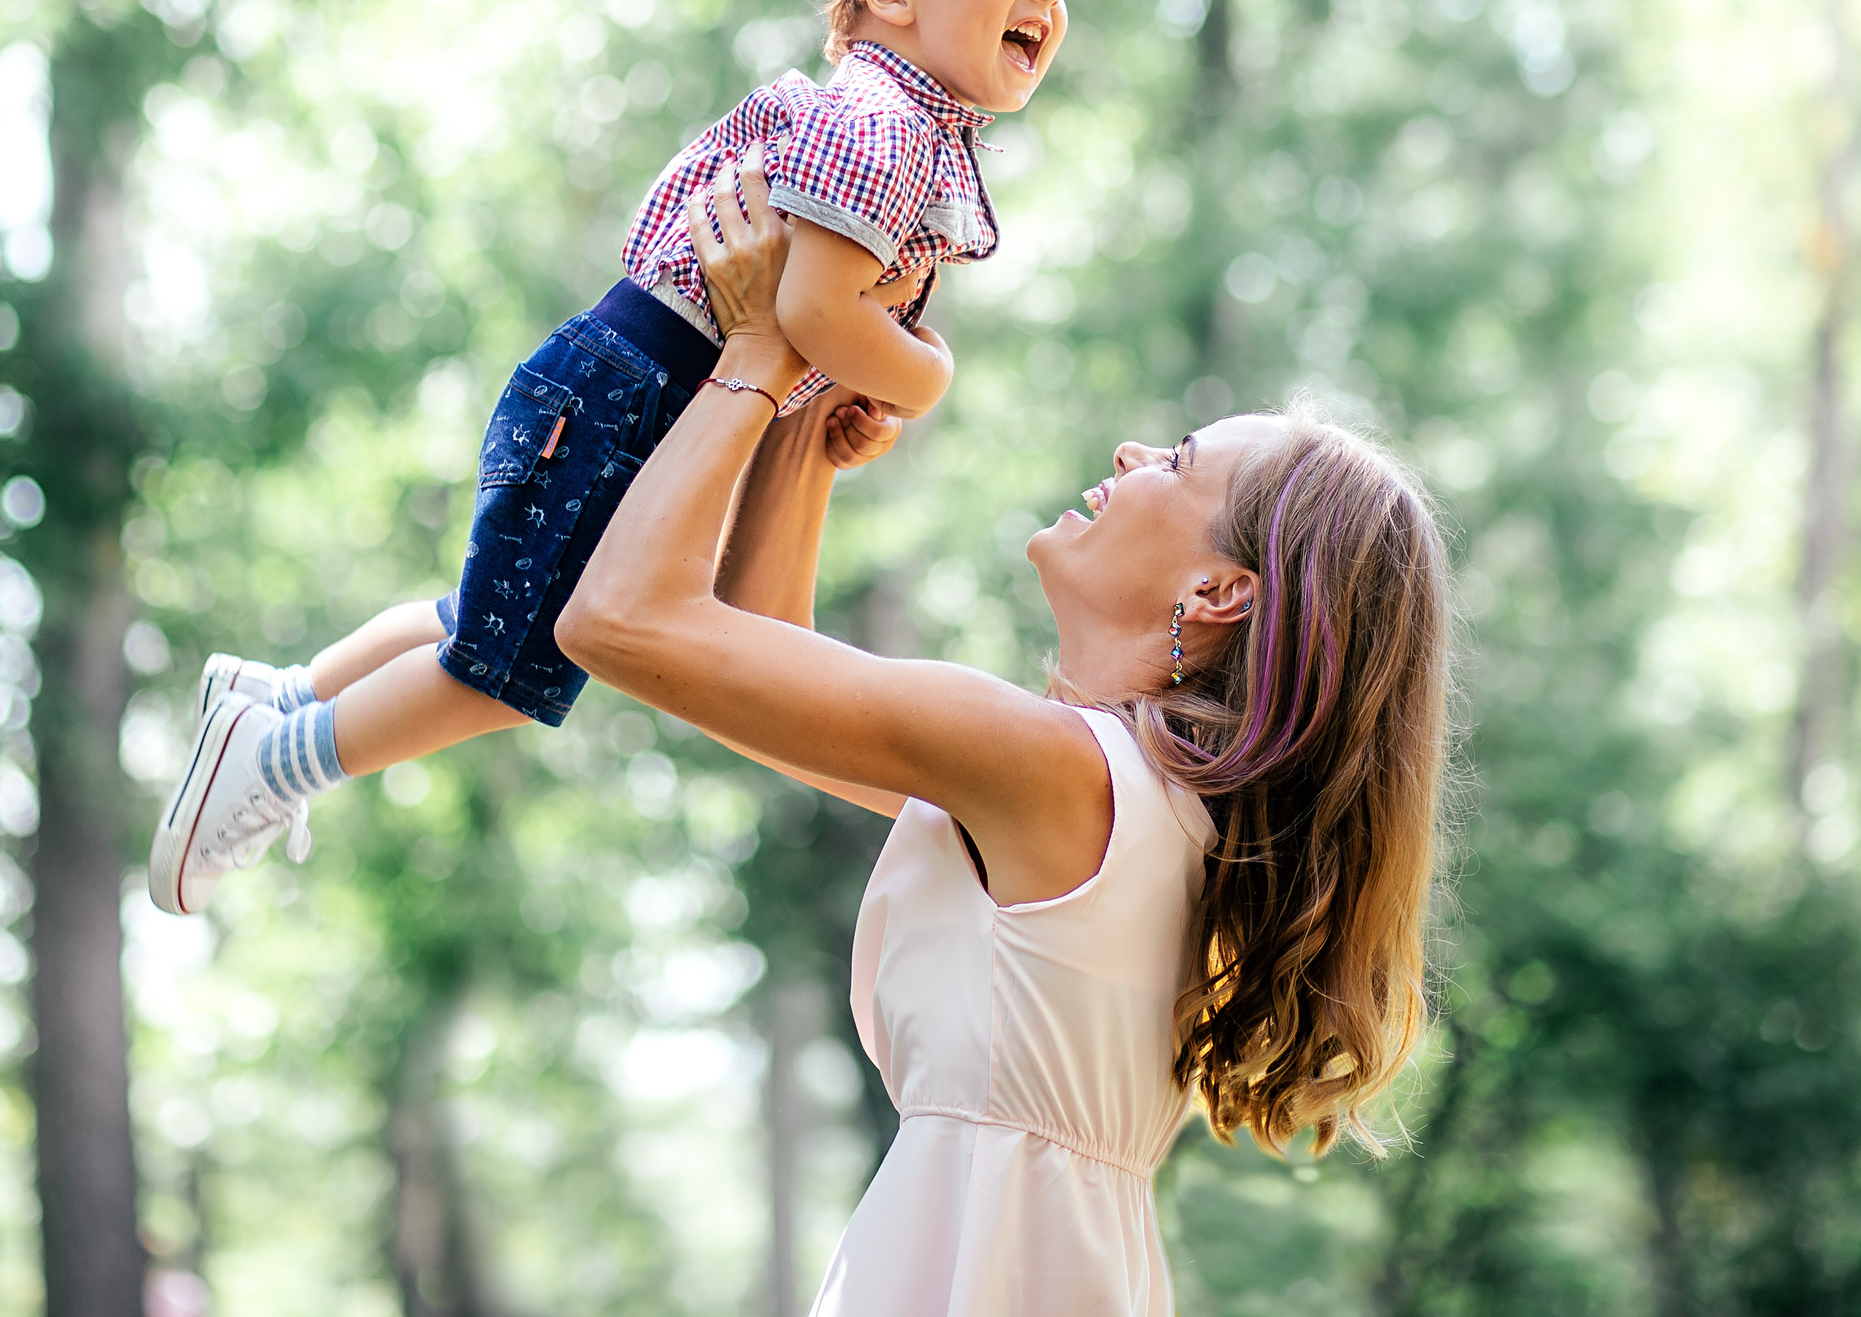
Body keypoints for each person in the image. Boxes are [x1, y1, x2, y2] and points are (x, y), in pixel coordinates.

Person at [555, 157, 1453, 1315]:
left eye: (1175, 463)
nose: (1133, 454)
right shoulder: (1153, 816)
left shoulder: (1046, 769)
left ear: (1218, 593)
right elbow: (766, 669)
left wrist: (755, 356)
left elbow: (620, 624)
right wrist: (807, 417)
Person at [150, 0, 1106, 915]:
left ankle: (282, 694)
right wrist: (923, 376)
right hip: (632, 394)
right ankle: (277, 759)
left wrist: (827, 401)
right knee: (508, 675)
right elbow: (809, 313)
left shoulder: (905, 130)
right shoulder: (880, 126)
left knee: (495, 609)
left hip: (627, 388)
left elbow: (816, 330)